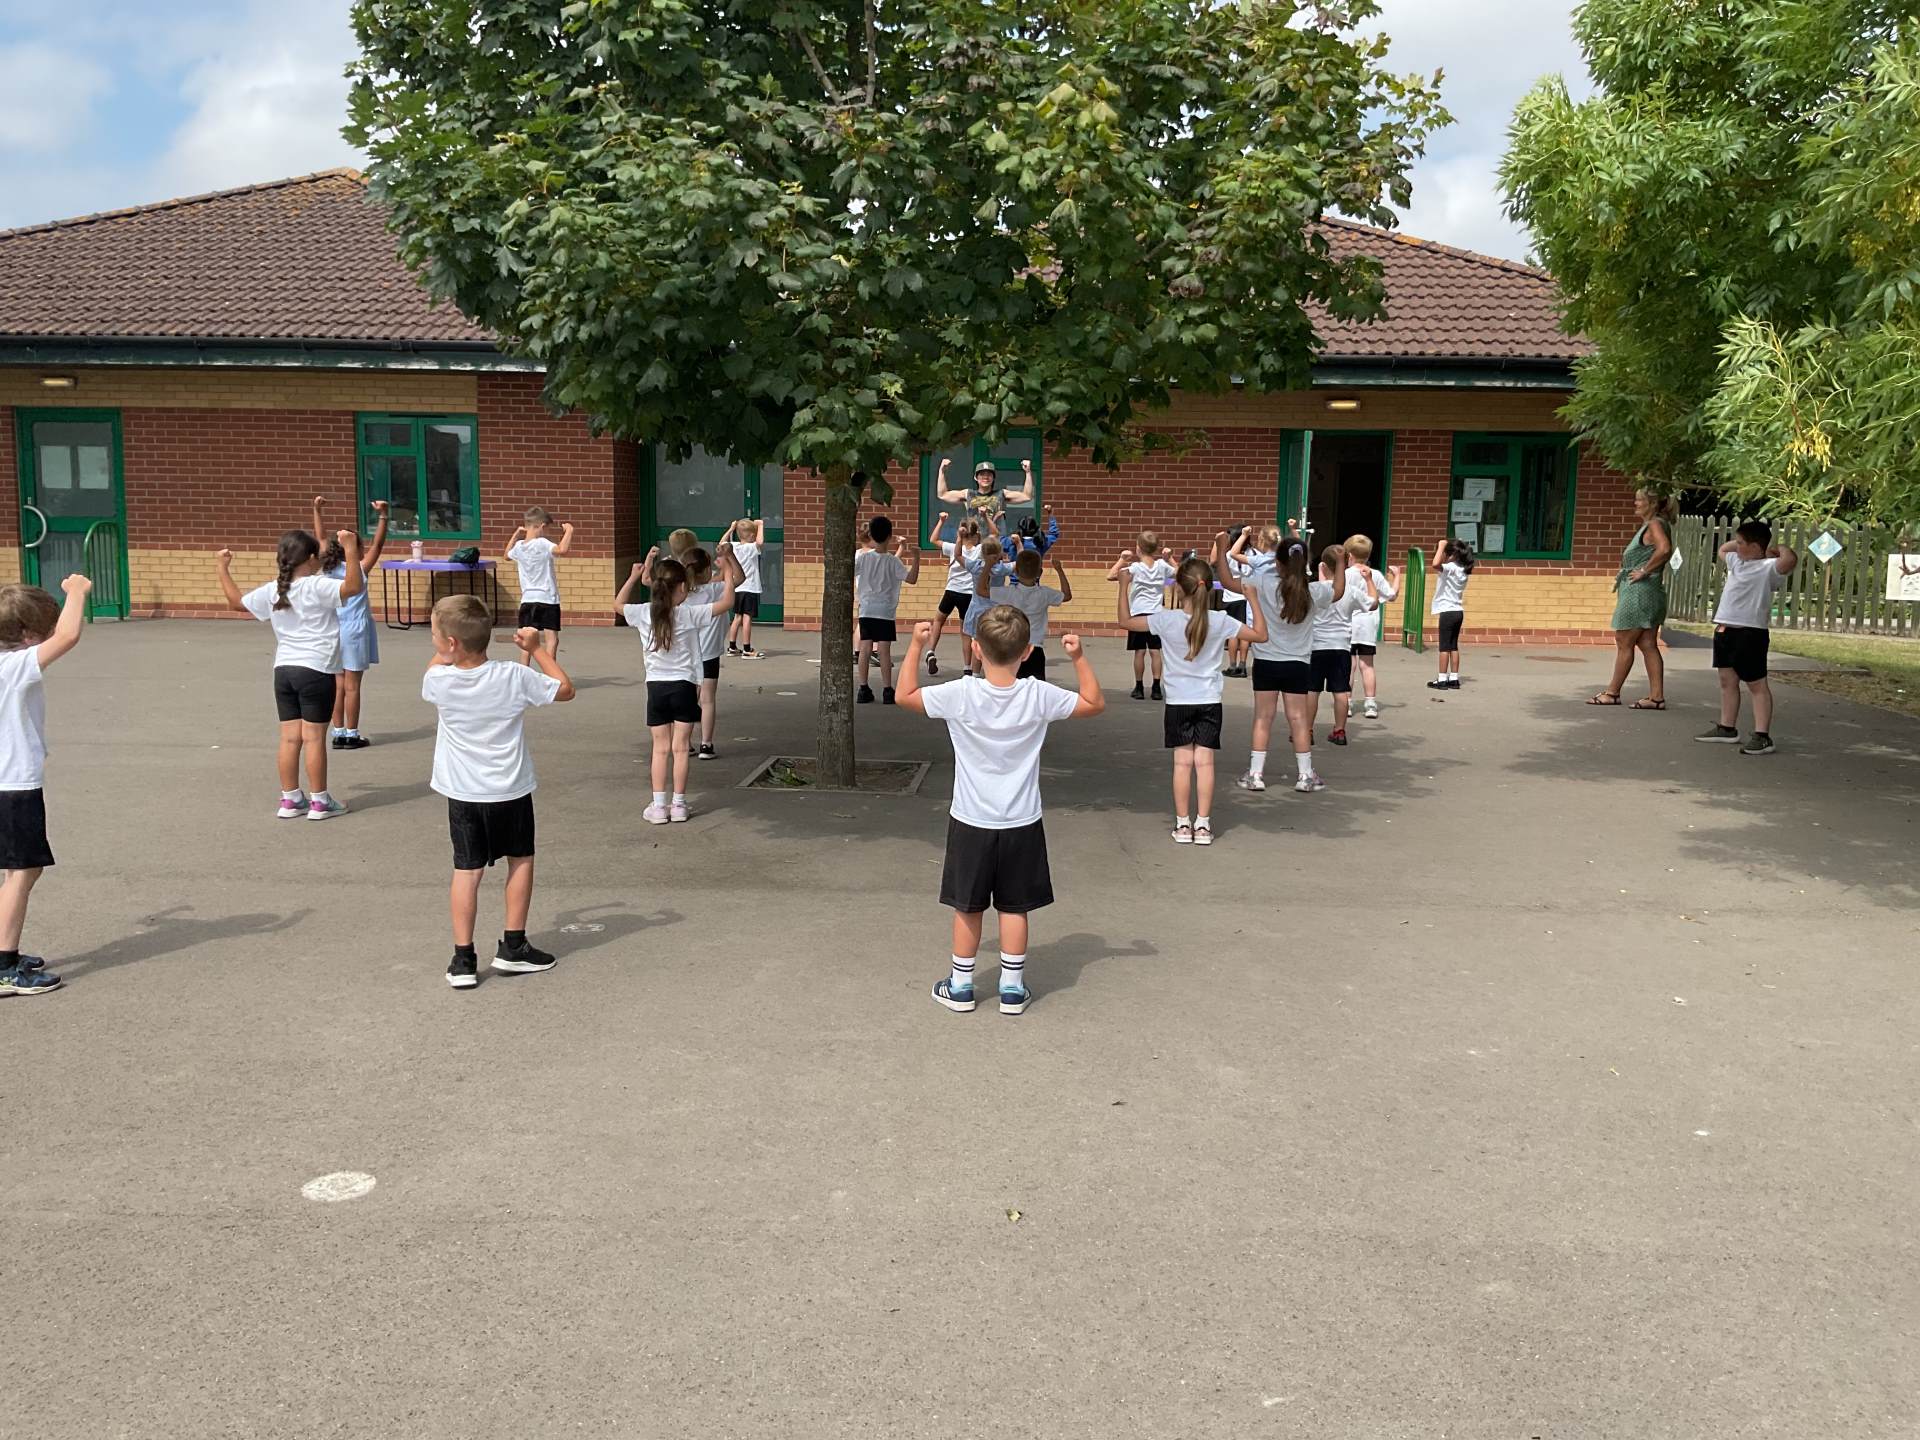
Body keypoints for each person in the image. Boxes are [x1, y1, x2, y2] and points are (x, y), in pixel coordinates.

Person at [897, 609, 1104, 1016]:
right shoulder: (1038, 694)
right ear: (1027, 652)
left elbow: (905, 695)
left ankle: (961, 985)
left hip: (971, 819)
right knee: (1014, 906)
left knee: (967, 906)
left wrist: (917, 645)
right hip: (1021, 820)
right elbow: (1093, 703)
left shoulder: (961, 693)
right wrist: (1078, 657)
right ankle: (1011, 987)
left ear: (976, 648)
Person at [422, 595, 574, 990]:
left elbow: (436, 663)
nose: (433, 641)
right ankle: (513, 945)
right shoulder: (513, 675)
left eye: (436, 635)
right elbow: (564, 689)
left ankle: (463, 959)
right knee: (520, 860)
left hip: (463, 792)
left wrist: (446, 650)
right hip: (509, 788)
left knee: (466, 870)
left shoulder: (437, 681)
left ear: (451, 643)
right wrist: (536, 649)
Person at [1119, 552, 1266, 846]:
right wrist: (1252, 598)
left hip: (1178, 701)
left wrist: (1123, 586)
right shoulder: (1220, 620)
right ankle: (1203, 825)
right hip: (1209, 699)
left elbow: (1125, 621)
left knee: (1182, 764)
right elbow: (1260, 635)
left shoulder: (1165, 619)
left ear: (1178, 588)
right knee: (1205, 764)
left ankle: (1183, 824)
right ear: (1208, 588)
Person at [216, 528, 362, 820]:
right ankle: (320, 801)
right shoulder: (316, 585)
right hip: (316, 669)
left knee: (289, 738)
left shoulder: (274, 589)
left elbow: (236, 603)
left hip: (284, 671)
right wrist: (350, 548)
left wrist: (222, 567)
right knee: (314, 738)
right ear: (311, 558)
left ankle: (291, 799)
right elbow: (354, 587)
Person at [0, 574, 92, 996]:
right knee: (22, 873)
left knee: (20, 869)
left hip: (9, 782)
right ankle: (4, 966)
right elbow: (68, 635)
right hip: (13, 786)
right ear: (26, 635)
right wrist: (77, 592)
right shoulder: (15, 667)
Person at [1224, 528, 1346, 793]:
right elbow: (1337, 591)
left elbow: (1226, 581)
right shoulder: (1312, 591)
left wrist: (1222, 549)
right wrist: (1341, 561)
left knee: (1263, 718)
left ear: (1277, 563)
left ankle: (1255, 774)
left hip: (1266, 661)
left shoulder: (1262, 584)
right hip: (1298, 664)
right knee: (1299, 719)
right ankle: (1305, 775)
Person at [619, 548, 736, 822]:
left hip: (656, 688)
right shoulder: (689, 614)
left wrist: (633, 577)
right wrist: (728, 573)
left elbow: (617, 605)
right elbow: (727, 602)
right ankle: (680, 805)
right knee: (681, 748)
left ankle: (659, 807)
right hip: (684, 686)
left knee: (660, 749)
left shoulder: (643, 613)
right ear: (682, 587)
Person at [1697, 522, 1798, 755]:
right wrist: (1740, 542)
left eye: (1742, 543)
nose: (1737, 546)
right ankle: (1727, 728)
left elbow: (1790, 559)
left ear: (1754, 547)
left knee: (1756, 684)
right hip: (1725, 629)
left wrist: (1775, 549)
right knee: (1727, 680)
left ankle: (1762, 736)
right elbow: (1723, 549)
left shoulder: (1769, 567)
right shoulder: (1737, 561)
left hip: (1750, 632)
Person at [312, 495, 389, 749]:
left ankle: (338, 732)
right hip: (355, 630)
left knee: (338, 685)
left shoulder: (328, 567)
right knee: (353, 686)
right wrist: (383, 515)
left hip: (334, 629)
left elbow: (321, 537)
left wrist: (317, 511)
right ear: (356, 548)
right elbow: (378, 544)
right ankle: (352, 733)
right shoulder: (359, 567)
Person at [1590, 489, 1676, 710]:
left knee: (1624, 641)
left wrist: (1644, 571)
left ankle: (1612, 693)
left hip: (1639, 592)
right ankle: (1656, 697)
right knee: (1647, 643)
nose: (1635, 503)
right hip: (1651, 592)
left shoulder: (1654, 524)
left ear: (1652, 503)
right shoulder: (1658, 523)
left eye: (1640, 500)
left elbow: (1664, 549)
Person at [1306, 542, 1369, 747]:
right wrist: (1370, 583)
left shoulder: (1313, 589)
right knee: (1340, 691)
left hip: (1316, 646)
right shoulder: (1351, 591)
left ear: (1323, 566)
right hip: (1341, 647)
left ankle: (1307, 730)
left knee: (1312, 690)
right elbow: (1373, 603)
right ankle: (1339, 730)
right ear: (1346, 564)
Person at [854, 515, 921, 703]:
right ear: (890, 536)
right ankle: (887, 690)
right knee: (884, 650)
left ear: (871, 536)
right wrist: (916, 558)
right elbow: (911, 579)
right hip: (885, 612)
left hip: (867, 609)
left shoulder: (863, 558)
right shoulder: (893, 561)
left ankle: (863, 688)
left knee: (865, 648)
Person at [685, 544, 743, 760]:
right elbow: (739, 578)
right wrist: (729, 559)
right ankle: (706, 744)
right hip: (709, 654)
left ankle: (685, 742)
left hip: (687, 654)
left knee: (689, 699)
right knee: (708, 700)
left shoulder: (682, 593)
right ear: (707, 571)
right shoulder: (715, 590)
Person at [505, 507, 575, 665]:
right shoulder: (542, 543)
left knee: (526, 639)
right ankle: (550, 672)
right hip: (547, 598)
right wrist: (569, 531)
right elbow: (562, 550)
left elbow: (506, 555)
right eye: (547, 529)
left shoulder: (519, 546)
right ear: (542, 526)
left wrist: (516, 534)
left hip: (527, 599)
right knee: (551, 640)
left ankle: (524, 671)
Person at [1109, 533, 1175, 700]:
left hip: (1138, 614)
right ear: (1156, 549)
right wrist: (1170, 559)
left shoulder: (1135, 568)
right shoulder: (1162, 565)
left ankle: (1138, 687)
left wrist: (1122, 560)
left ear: (1138, 549)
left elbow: (1111, 575)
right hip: (1156, 614)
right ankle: (1156, 687)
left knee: (1139, 651)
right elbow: (1180, 573)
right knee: (1155, 651)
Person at [991, 547, 1072, 680]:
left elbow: (981, 590)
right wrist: (1059, 570)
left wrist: (987, 566)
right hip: (1035, 648)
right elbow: (1067, 595)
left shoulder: (1009, 593)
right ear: (1040, 572)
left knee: (1012, 686)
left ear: (1016, 571)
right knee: (1036, 688)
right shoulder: (1045, 594)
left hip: (1013, 646)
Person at [1344, 535, 1400, 719]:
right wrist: (1397, 576)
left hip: (1348, 624)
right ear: (1368, 555)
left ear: (1349, 555)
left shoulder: (1345, 574)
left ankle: (1347, 702)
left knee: (1349, 665)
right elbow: (1392, 595)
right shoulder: (1375, 574)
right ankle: (1370, 703)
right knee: (1367, 665)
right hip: (1368, 625)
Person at [925, 513, 984, 675]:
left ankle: (931, 650)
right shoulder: (979, 550)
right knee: (965, 632)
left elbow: (933, 539)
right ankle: (967, 666)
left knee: (938, 620)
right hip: (968, 594)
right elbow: (994, 537)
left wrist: (941, 521)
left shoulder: (953, 548)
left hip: (951, 591)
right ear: (976, 535)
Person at [1426, 538, 1475, 690]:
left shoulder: (1450, 568)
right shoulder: (1463, 569)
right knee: (1453, 646)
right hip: (1458, 611)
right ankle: (1454, 677)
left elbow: (1435, 564)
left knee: (1444, 647)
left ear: (1451, 554)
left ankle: (1442, 678)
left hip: (1447, 612)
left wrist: (1441, 546)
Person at [935, 455, 1036, 527]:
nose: (986, 477)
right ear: (976, 477)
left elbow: (1026, 496)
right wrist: (941, 471)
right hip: (973, 541)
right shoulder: (968, 494)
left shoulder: (1001, 494)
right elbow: (943, 495)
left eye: (989, 474)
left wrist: (1028, 472)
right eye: (982, 474)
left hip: (995, 541)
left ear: (993, 478)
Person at [723, 517, 766, 658]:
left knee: (737, 617)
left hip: (737, 587)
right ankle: (747, 649)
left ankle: (732, 646)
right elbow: (760, 542)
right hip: (749, 587)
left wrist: (731, 529)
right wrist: (761, 525)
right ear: (752, 535)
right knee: (747, 618)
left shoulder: (733, 546)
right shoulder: (751, 548)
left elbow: (721, 543)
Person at [1222, 525, 1255, 677]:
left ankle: (1232, 665)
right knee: (1245, 632)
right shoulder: (1253, 553)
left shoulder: (1229, 554)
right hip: (1247, 597)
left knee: (1233, 633)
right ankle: (1243, 665)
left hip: (1231, 596)